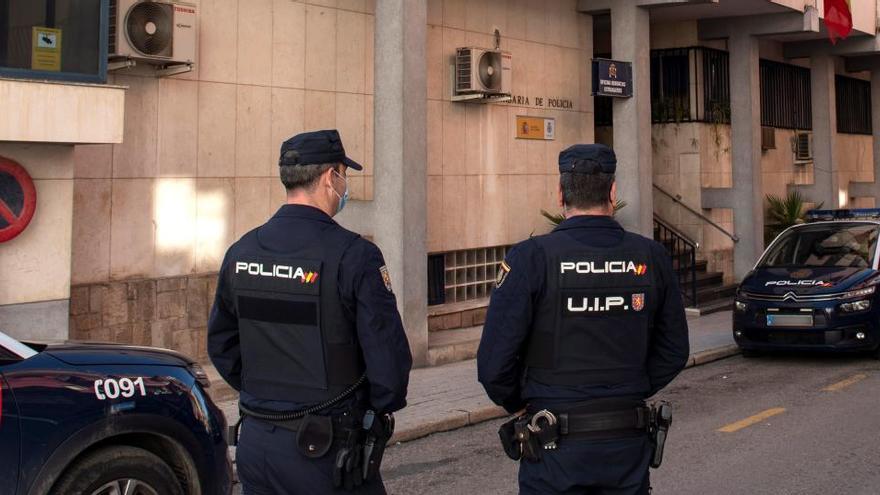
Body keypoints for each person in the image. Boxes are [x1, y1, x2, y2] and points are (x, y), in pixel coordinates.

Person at [208, 129, 413, 494]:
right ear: (330, 177)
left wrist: (267, 394)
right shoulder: (355, 256)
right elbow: (389, 364)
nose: (345, 184)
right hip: (326, 451)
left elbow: (222, 345)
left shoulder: (241, 253)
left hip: (257, 444)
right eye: (343, 175)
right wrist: (373, 408)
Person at [477, 143, 689, 494]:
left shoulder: (531, 259)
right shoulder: (651, 256)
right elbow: (674, 349)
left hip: (553, 446)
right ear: (613, 192)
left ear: (560, 193)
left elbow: (494, 364)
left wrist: (523, 401)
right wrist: (629, 387)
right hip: (626, 444)